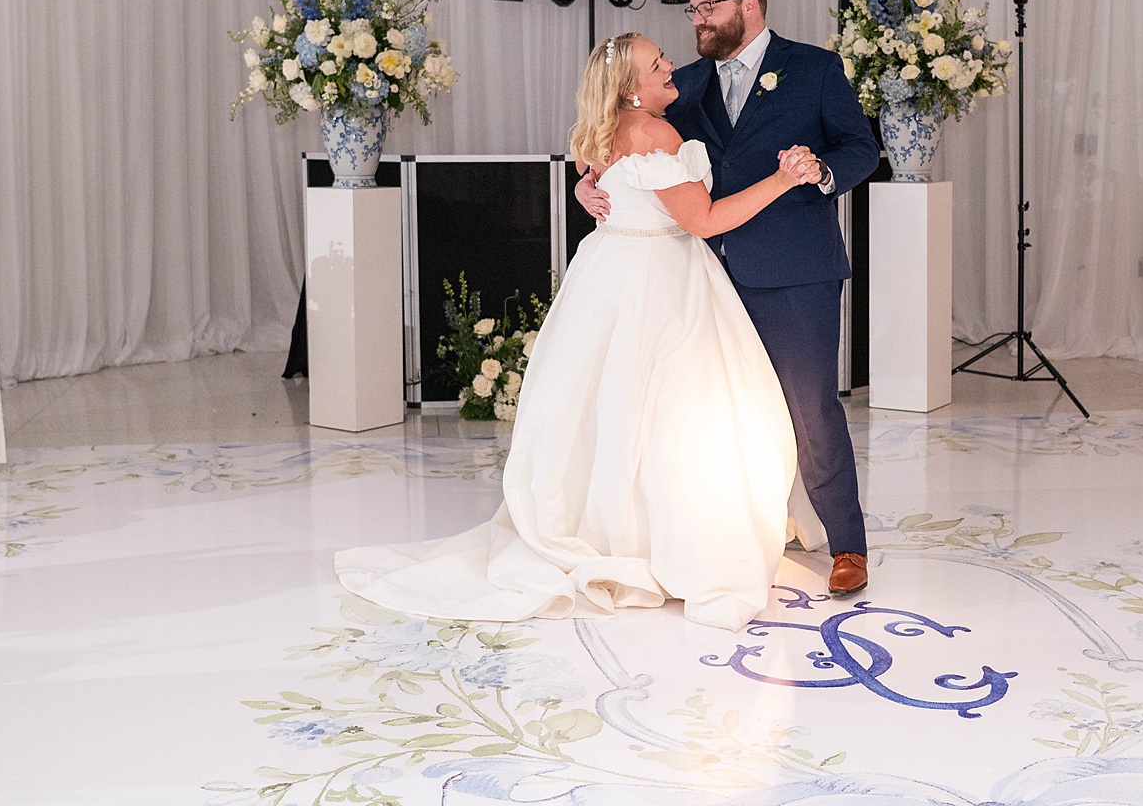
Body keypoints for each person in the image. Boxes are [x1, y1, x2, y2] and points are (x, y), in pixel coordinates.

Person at [336, 32, 827, 632]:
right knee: (675, 412)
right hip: (660, 281)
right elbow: (704, 222)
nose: (670, 65)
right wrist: (783, 180)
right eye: (657, 64)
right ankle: (665, 542)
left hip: (607, 273)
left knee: (609, 407)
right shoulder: (656, 135)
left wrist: (584, 187)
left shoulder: (598, 131)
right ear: (631, 89)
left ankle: (604, 527)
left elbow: (593, 174)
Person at [578, 0, 880, 597]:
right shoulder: (681, 85)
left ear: (750, 5)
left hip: (795, 271)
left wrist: (822, 171)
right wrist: (587, 183)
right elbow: (618, 139)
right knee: (726, 412)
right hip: (702, 276)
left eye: (708, 7)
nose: (697, 20)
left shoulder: (816, 69)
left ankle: (847, 543)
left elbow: (860, 147)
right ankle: (750, 527)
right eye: (691, 10)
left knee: (812, 408)